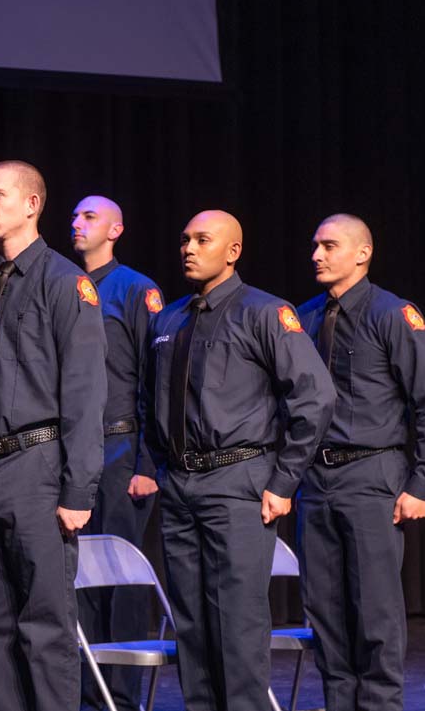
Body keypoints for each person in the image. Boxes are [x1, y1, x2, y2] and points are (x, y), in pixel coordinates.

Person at [142, 210, 335, 711]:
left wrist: (285, 480)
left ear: (232, 251)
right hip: (182, 485)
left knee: (237, 622)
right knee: (190, 621)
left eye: (202, 239)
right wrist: (163, 467)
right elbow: (149, 402)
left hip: (239, 482)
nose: (188, 247)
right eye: (184, 238)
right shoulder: (169, 318)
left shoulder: (266, 313)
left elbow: (314, 398)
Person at [0, 161, 106, 711]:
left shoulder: (65, 282)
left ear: (32, 204)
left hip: (33, 466)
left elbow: (84, 392)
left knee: (45, 625)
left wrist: (78, 489)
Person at [297, 214, 425, 711]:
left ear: (362, 253)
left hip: (371, 476)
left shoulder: (392, 314)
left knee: (375, 615)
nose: (317, 255)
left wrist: (423, 481)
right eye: (315, 246)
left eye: (330, 245)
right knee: (325, 612)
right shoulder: (303, 317)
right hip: (315, 483)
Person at [69, 195, 164, 711]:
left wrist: (148, 465)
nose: (76, 222)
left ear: (116, 228)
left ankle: (121, 698)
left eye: (89, 216)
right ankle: (87, 691)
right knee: (78, 574)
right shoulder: (66, 285)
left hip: (121, 448)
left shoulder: (136, 290)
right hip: (73, 450)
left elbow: (155, 380)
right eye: (75, 215)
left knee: (120, 576)